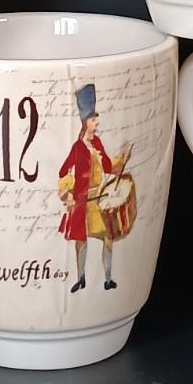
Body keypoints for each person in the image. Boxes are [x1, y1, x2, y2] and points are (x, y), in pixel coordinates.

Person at [58, 83, 130, 292]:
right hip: (82, 202)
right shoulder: (77, 148)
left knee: (108, 237)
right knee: (81, 241)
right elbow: (63, 171)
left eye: (96, 118)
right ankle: (81, 278)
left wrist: (121, 160)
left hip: (98, 201)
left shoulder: (97, 143)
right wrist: (67, 193)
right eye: (92, 119)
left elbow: (107, 165)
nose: (96, 122)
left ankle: (108, 278)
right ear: (85, 122)